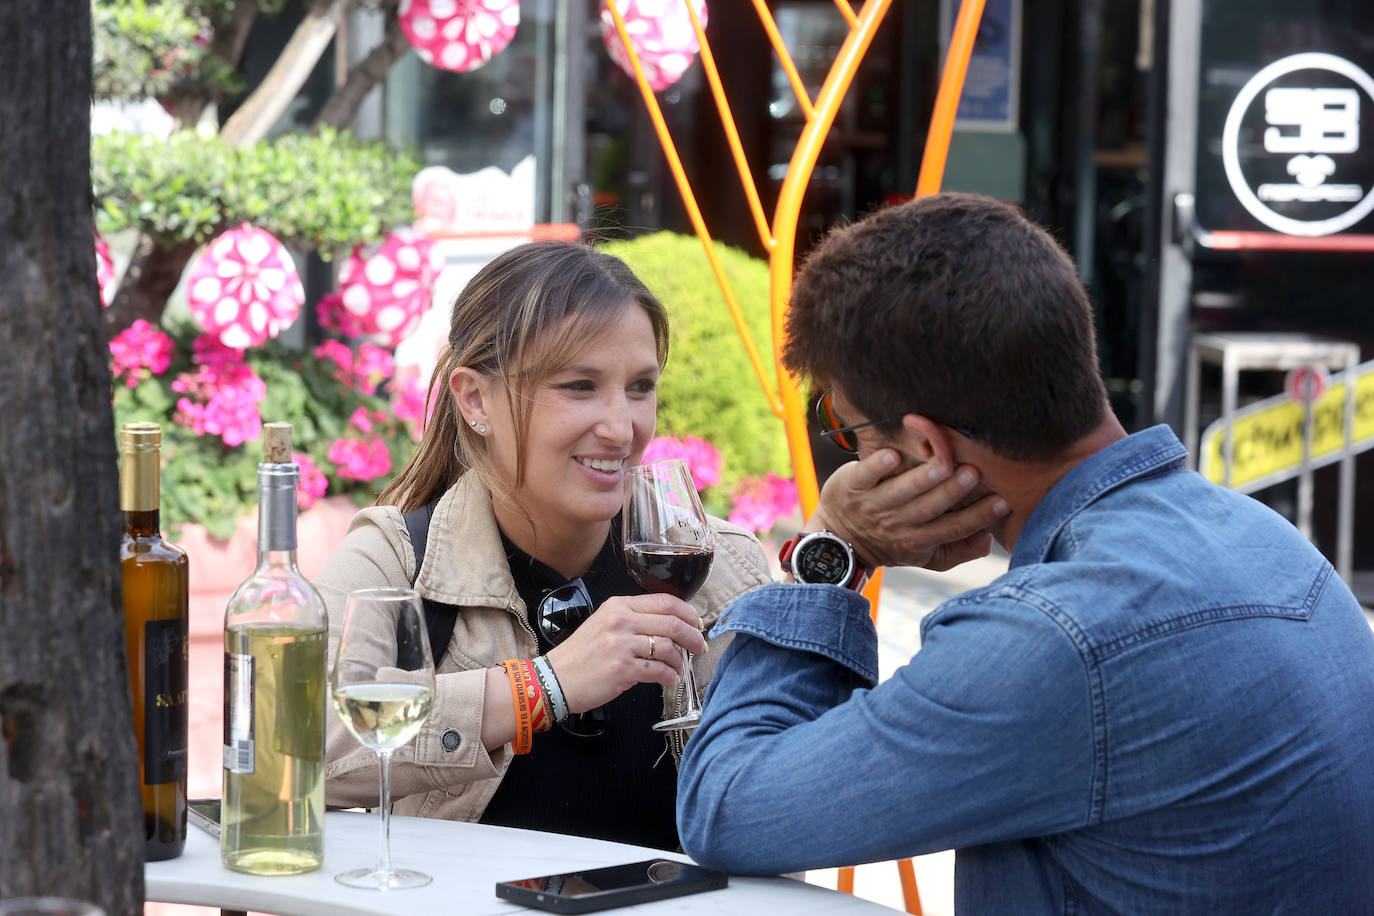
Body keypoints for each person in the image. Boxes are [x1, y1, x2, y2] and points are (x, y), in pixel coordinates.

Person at [676, 192, 1374, 911]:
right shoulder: (1268, 540)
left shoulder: (1054, 639)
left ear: (925, 448)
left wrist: (837, 546)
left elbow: (727, 807)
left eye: (845, 426)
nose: (847, 452)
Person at [313, 240, 778, 852]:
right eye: (579, 386)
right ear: (475, 399)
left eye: (640, 387)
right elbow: (288, 753)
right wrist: (547, 685)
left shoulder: (724, 568)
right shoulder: (397, 565)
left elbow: (788, 797)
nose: (621, 428)